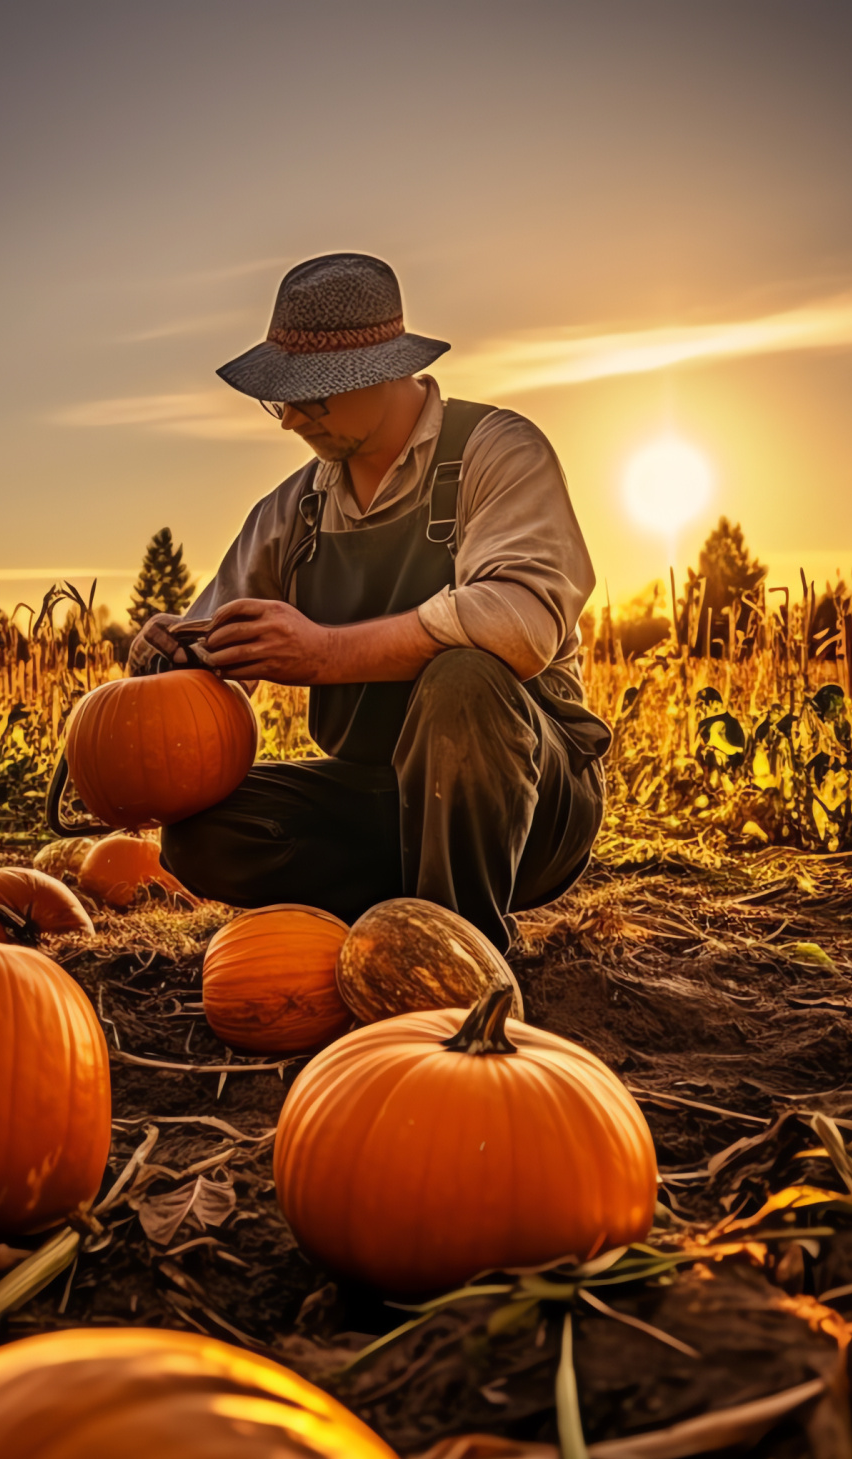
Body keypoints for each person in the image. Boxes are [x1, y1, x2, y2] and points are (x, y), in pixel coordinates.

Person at [131, 251, 610, 955]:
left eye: (312, 395)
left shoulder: (497, 451)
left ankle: (459, 954)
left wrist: (324, 653)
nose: (291, 420)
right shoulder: (298, 507)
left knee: (468, 675)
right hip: (378, 801)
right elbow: (219, 630)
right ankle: (401, 913)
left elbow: (521, 623)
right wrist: (175, 649)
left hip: (526, 799)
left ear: (385, 373)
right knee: (206, 835)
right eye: (280, 397)